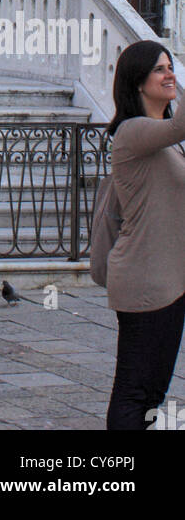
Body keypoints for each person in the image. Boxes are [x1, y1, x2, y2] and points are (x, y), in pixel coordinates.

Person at [105, 40, 185, 429]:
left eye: (171, 66)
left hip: (168, 281)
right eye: (160, 69)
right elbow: (180, 124)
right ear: (137, 82)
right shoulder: (134, 132)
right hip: (146, 281)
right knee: (135, 392)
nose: (170, 74)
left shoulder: (165, 141)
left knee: (151, 393)